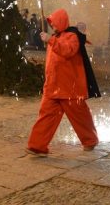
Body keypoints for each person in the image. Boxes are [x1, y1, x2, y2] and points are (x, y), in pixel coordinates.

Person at [26, 8, 98, 156]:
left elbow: (67, 51)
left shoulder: (72, 36)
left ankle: (90, 140)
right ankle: (37, 146)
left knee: (80, 117)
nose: (53, 26)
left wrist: (50, 40)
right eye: (51, 23)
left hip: (69, 87)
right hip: (53, 86)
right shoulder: (56, 36)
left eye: (54, 22)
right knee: (45, 116)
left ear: (61, 21)